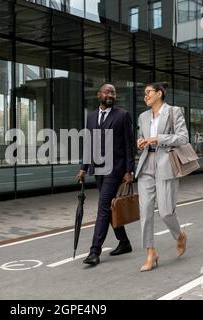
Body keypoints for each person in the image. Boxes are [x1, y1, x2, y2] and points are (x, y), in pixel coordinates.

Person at [76, 83, 135, 266]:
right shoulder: (92, 117)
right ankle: (124, 242)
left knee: (102, 207)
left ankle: (95, 252)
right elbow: (89, 144)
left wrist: (129, 171)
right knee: (109, 208)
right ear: (98, 95)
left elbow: (128, 145)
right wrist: (83, 167)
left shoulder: (123, 115)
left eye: (113, 92)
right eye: (107, 92)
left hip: (115, 169)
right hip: (98, 169)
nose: (111, 94)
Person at [134, 82, 188, 272]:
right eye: (144, 94)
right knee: (146, 212)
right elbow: (141, 136)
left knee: (166, 212)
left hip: (166, 164)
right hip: (146, 164)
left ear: (159, 93)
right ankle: (150, 253)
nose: (145, 96)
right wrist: (141, 142)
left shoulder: (174, 111)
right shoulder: (143, 116)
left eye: (148, 93)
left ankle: (180, 235)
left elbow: (183, 138)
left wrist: (160, 138)